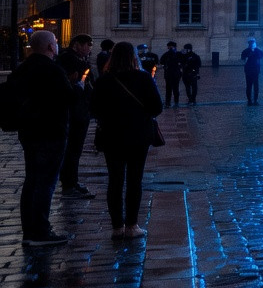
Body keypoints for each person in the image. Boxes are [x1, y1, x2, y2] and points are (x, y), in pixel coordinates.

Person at [90, 41, 162, 239]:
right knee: (134, 180)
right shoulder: (143, 77)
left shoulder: (104, 80)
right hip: (138, 135)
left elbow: (93, 108)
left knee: (115, 180)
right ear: (134, 57)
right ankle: (131, 225)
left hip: (112, 135)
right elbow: (157, 106)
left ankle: (116, 227)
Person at [15, 30, 78, 246]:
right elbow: (68, 98)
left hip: (28, 132)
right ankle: (40, 231)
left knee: (31, 180)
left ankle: (29, 231)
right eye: (56, 43)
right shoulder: (52, 69)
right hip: (50, 132)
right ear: (51, 47)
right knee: (45, 182)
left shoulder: (23, 68)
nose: (57, 46)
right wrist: (78, 87)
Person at [57, 34, 96, 199]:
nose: (89, 48)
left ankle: (72, 182)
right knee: (72, 149)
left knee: (76, 150)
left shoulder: (78, 60)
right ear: (76, 45)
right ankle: (68, 184)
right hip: (74, 112)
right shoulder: (68, 59)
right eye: (87, 45)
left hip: (81, 110)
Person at [240, 37, 263, 105]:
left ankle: (255, 100)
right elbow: (243, 58)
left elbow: (261, 56)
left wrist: (255, 50)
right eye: (251, 43)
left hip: (255, 70)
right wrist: (250, 53)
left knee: (256, 86)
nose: (252, 44)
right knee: (249, 85)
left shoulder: (258, 51)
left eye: (253, 43)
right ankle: (249, 100)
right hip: (248, 70)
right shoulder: (246, 51)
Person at [159, 41, 183, 107]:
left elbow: (182, 62)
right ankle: (170, 102)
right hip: (170, 74)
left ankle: (173, 102)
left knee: (173, 89)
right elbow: (161, 62)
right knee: (170, 89)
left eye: (170, 47)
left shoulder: (177, 54)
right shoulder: (167, 55)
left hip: (173, 74)